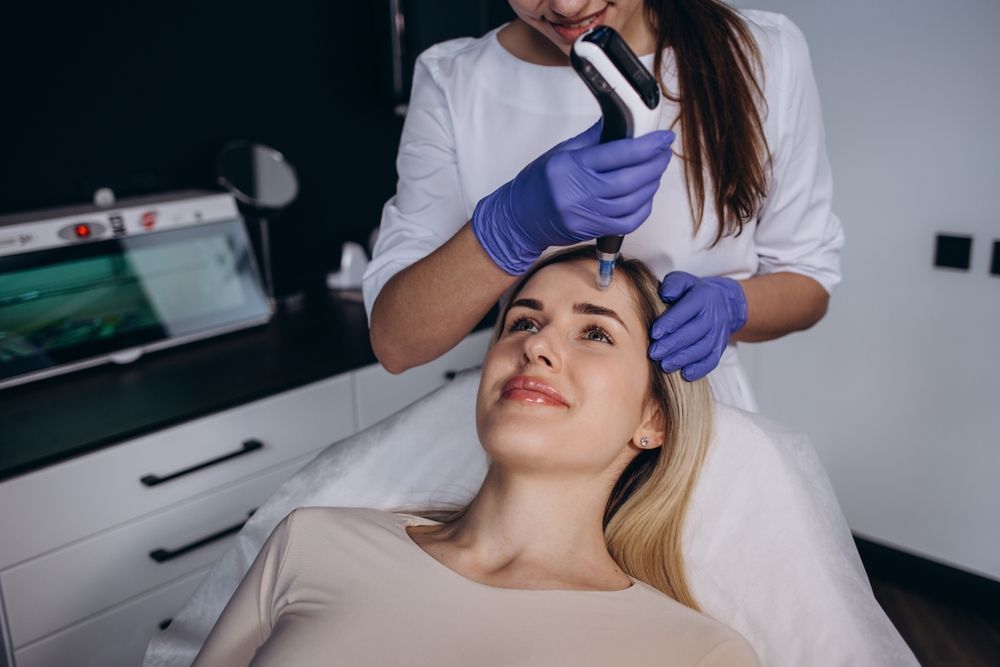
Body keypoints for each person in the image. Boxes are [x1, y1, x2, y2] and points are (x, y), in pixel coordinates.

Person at [192, 247, 760, 666]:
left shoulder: (698, 653)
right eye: (524, 322)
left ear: (653, 420)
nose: (536, 345)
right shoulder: (310, 543)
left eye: (595, 334)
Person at [364, 0, 844, 412]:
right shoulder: (454, 80)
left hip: (692, 420)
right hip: (539, 410)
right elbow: (397, 342)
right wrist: (507, 228)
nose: (567, 7)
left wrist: (734, 305)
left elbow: (808, 282)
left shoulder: (761, 53)